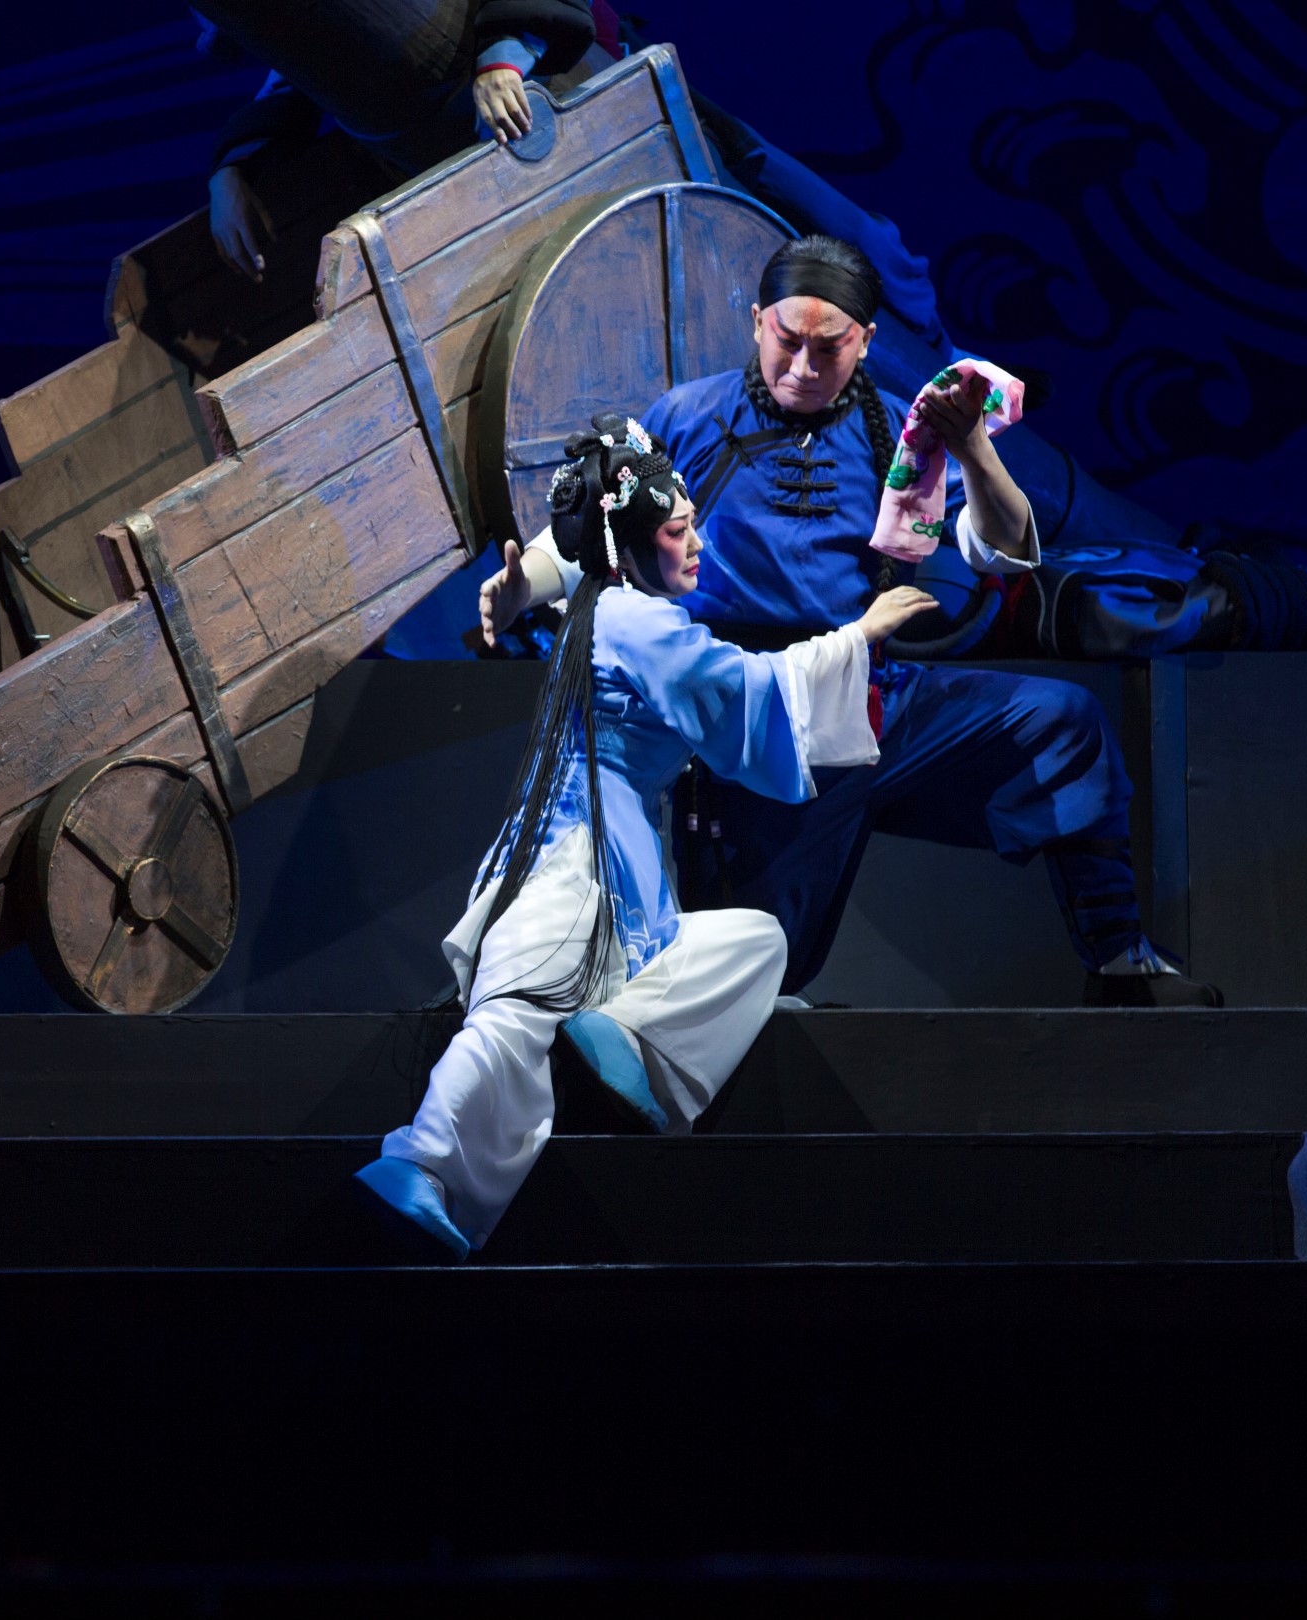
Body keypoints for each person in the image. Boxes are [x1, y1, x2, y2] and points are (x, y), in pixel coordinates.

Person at [486, 236, 1223, 1007]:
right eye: (787, 341)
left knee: (1061, 721)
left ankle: (1120, 963)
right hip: (761, 711)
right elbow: (602, 527)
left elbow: (1004, 549)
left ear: (866, 341)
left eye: (829, 347)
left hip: (876, 697)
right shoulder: (691, 417)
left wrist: (973, 447)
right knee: (749, 979)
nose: (803, 366)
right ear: (756, 322)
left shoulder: (904, 433)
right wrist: (523, 585)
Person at [356, 415, 936, 1259]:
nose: (697, 544)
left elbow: (579, 568)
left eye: (693, 524)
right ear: (628, 546)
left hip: (604, 852)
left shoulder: (600, 607)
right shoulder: (637, 623)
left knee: (757, 941)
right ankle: (420, 1165)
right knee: (515, 1013)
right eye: (677, 531)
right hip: (574, 851)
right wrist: (860, 634)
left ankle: (627, 1035)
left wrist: (524, 590)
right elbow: (744, 691)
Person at [203, 0, 608, 281]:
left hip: (561, 97)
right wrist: (232, 169)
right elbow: (306, 62)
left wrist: (506, 53)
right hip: (456, 178)